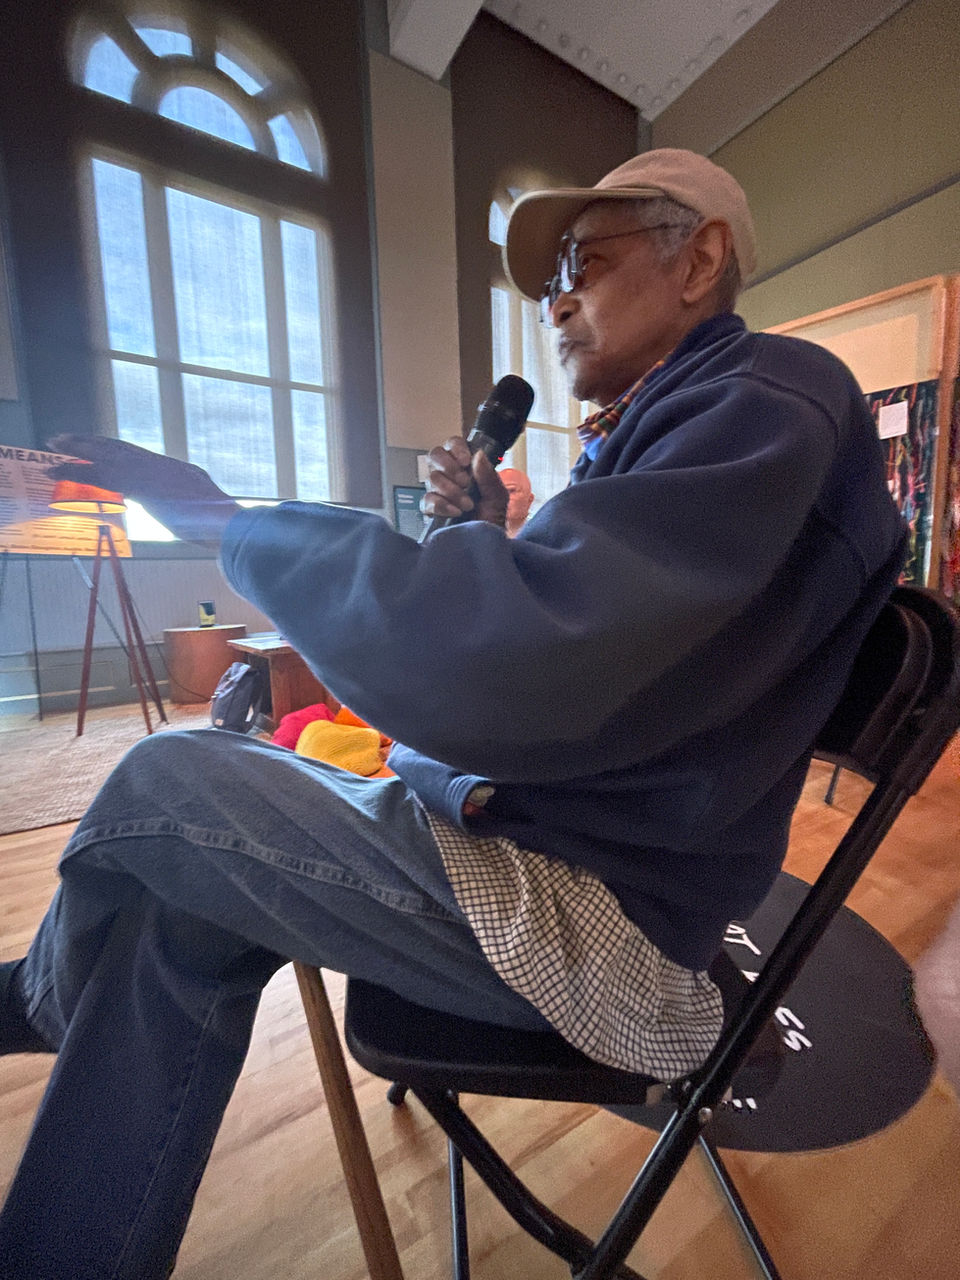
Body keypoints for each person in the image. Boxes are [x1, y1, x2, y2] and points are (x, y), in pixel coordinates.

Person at [0, 148, 905, 1278]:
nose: (559, 299)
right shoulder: (688, 419)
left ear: (702, 257)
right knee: (175, 918)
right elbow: (604, 655)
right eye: (548, 283)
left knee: (168, 776)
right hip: (534, 837)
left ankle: (39, 995)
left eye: (589, 260)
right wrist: (485, 532)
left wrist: (208, 509)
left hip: (594, 919)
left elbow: (512, 674)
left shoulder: (768, 396)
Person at [498, 466, 535, 535]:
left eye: (511, 491)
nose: (502, 497)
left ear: (530, 500)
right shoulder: (479, 534)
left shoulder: (542, 534)